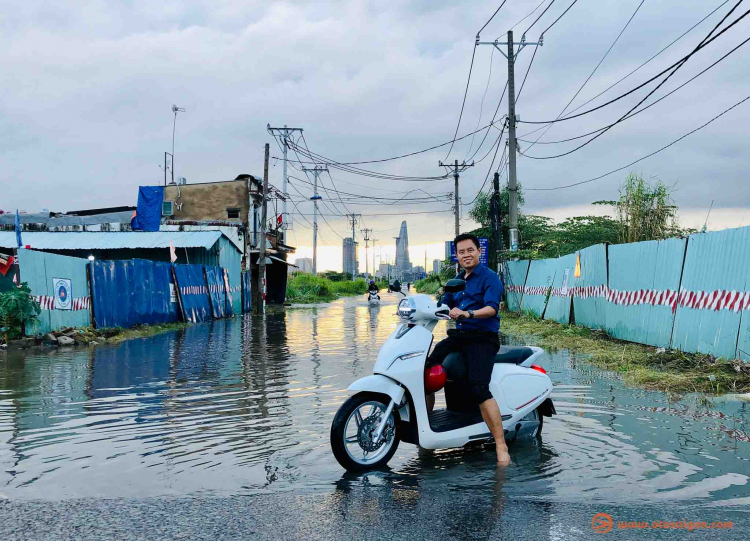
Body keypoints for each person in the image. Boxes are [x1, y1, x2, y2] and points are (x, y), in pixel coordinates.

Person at [425, 233, 510, 466]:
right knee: (425, 373)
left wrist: (467, 313)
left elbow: (492, 308)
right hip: (459, 336)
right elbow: (444, 304)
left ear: (478, 252)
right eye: (461, 252)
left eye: (470, 250)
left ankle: (501, 446)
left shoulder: (490, 278)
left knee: (479, 388)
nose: (466, 255)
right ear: (457, 256)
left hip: (483, 338)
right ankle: (426, 435)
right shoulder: (457, 280)